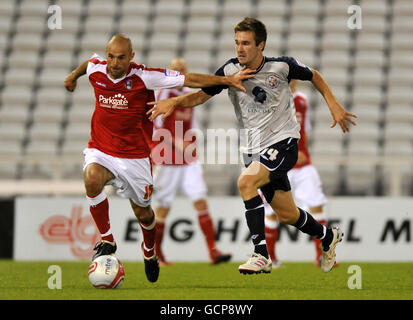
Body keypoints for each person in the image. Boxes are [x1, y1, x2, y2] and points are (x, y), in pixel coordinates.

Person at [147, 18, 357, 275]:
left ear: (261, 45)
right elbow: (202, 95)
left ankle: (261, 254)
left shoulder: (282, 66)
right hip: (254, 148)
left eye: (246, 43)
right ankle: (327, 237)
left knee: (246, 182)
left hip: (284, 141)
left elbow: (314, 76)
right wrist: (176, 102)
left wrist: (333, 104)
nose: (240, 48)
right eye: (237, 42)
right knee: (288, 214)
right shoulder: (230, 71)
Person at [63, 34, 254, 283]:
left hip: (135, 158)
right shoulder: (97, 68)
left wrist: (227, 80)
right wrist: (71, 77)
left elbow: (192, 80)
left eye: (121, 57)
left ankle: (150, 252)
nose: (115, 63)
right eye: (111, 56)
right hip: (103, 150)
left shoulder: (146, 77)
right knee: (91, 178)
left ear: (131, 57)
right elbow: (88, 63)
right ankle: (107, 239)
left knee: (144, 214)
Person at [151, 58, 232, 266]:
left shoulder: (187, 96)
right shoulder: (164, 93)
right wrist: (178, 142)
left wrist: (195, 147)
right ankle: (156, 254)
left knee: (200, 199)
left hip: (188, 159)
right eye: (175, 70)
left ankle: (213, 251)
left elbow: (192, 124)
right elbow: (156, 126)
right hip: (167, 159)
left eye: (182, 70)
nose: (179, 73)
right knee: (163, 208)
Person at [264, 79, 330, 268]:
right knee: (271, 212)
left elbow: (305, 130)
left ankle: (323, 256)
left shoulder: (301, 99)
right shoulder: (271, 100)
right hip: (279, 165)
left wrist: (305, 152)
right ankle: (271, 258)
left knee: (316, 206)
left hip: (303, 166)